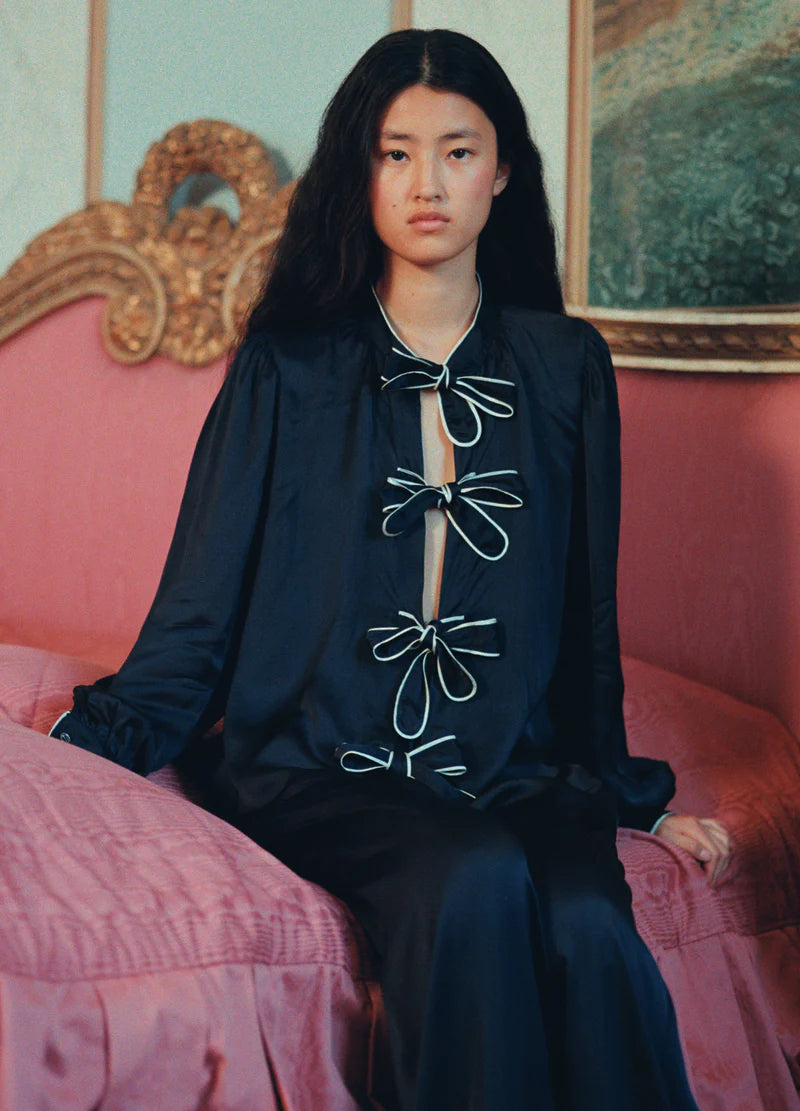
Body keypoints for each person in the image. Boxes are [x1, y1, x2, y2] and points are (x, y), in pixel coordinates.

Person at [51, 28, 731, 1111]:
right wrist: (85, 747)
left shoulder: (566, 367)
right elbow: (200, 605)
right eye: (395, 153)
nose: (427, 184)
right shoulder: (286, 366)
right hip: (320, 763)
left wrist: (620, 796)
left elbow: (583, 614)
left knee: (590, 924)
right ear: (357, 174)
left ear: (501, 171)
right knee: (470, 873)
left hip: (509, 766)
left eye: (458, 152)